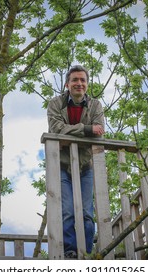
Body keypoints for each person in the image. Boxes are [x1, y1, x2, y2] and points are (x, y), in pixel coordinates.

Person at [47, 65, 105, 259]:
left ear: (87, 84)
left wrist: (71, 130)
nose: (79, 84)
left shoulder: (95, 105)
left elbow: (100, 132)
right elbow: (56, 129)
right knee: (68, 212)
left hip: (85, 165)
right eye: (75, 80)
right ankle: (70, 252)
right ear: (67, 84)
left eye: (82, 80)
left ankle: (87, 252)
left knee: (88, 214)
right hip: (62, 166)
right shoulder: (55, 103)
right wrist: (87, 130)